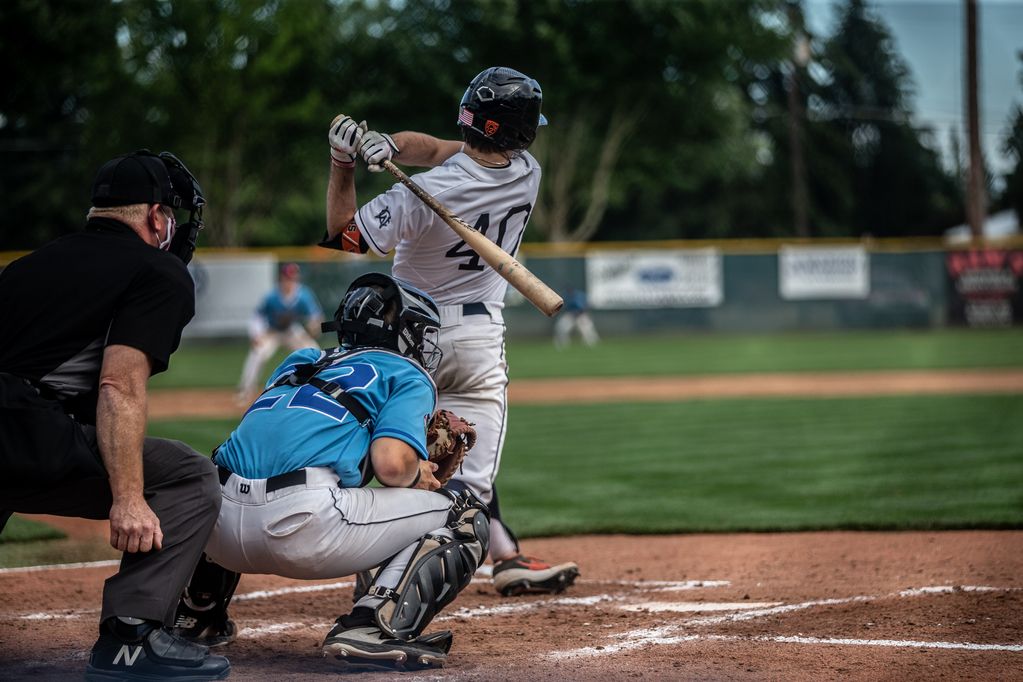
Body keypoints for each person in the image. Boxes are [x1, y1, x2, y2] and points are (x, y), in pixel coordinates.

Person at [320, 66, 579, 596]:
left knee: (394, 451)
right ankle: (492, 553)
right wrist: (389, 144)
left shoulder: (424, 192)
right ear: (521, 132)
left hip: (410, 338)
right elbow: (437, 149)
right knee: (465, 481)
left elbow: (342, 237)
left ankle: (379, 567)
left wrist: (343, 164)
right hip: (481, 341)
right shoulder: (526, 171)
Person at [171, 273, 490, 672]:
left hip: (214, 529)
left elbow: (275, 440)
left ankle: (196, 613)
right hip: (302, 527)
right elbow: (391, 466)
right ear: (401, 333)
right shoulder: (407, 372)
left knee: (231, 472)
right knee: (465, 511)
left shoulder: (302, 359)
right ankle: (372, 626)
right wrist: (417, 472)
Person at [0, 150, 230, 681]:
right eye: (172, 216)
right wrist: (128, 497)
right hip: (27, 435)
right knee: (191, 477)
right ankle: (132, 634)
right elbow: (119, 384)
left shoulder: (26, 265)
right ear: (155, 216)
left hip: (15, 432)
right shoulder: (158, 270)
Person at [235, 262, 323, 404]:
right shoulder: (272, 296)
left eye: (292, 278)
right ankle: (245, 391)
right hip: (272, 331)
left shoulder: (303, 295)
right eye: (286, 278)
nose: (289, 282)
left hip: (291, 331)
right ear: (280, 279)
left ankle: (322, 388)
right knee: (257, 354)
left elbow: (316, 316)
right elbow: (257, 316)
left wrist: (314, 326)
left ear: (297, 279)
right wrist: (255, 334)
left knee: (315, 352)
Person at [553, 284, 600, 349]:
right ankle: (562, 346)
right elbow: (562, 308)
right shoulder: (564, 296)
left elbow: (584, 308)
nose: (569, 291)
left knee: (587, 331)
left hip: (581, 315)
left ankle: (593, 346)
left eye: (570, 290)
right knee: (561, 329)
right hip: (570, 315)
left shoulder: (579, 296)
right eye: (567, 290)